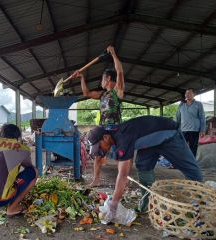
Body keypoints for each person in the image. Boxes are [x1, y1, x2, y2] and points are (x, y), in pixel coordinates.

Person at [87, 116, 203, 219]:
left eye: (99, 147)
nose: (100, 151)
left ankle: (201, 203)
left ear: (106, 137)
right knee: (143, 165)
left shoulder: (122, 138)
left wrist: (113, 204)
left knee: (189, 168)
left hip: (169, 134)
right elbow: (124, 164)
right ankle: (147, 205)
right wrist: (122, 184)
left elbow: (122, 175)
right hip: (151, 142)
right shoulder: (114, 135)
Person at [71, 45, 124, 187]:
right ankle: (95, 180)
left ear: (107, 79)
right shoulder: (102, 95)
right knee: (96, 152)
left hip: (116, 128)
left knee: (121, 156)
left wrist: (113, 54)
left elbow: (119, 72)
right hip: (103, 128)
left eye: (102, 78)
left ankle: (122, 182)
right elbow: (86, 93)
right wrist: (81, 77)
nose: (101, 81)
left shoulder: (117, 92)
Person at [176, 88, 206, 157]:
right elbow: (178, 117)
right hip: (183, 130)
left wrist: (202, 130)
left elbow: (202, 117)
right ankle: (181, 162)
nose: (187, 95)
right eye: (186, 93)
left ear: (194, 94)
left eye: (189, 93)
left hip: (194, 130)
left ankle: (192, 163)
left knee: (193, 148)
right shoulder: (181, 105)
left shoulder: (198, 104)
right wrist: (176, 128)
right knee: (181, 147)